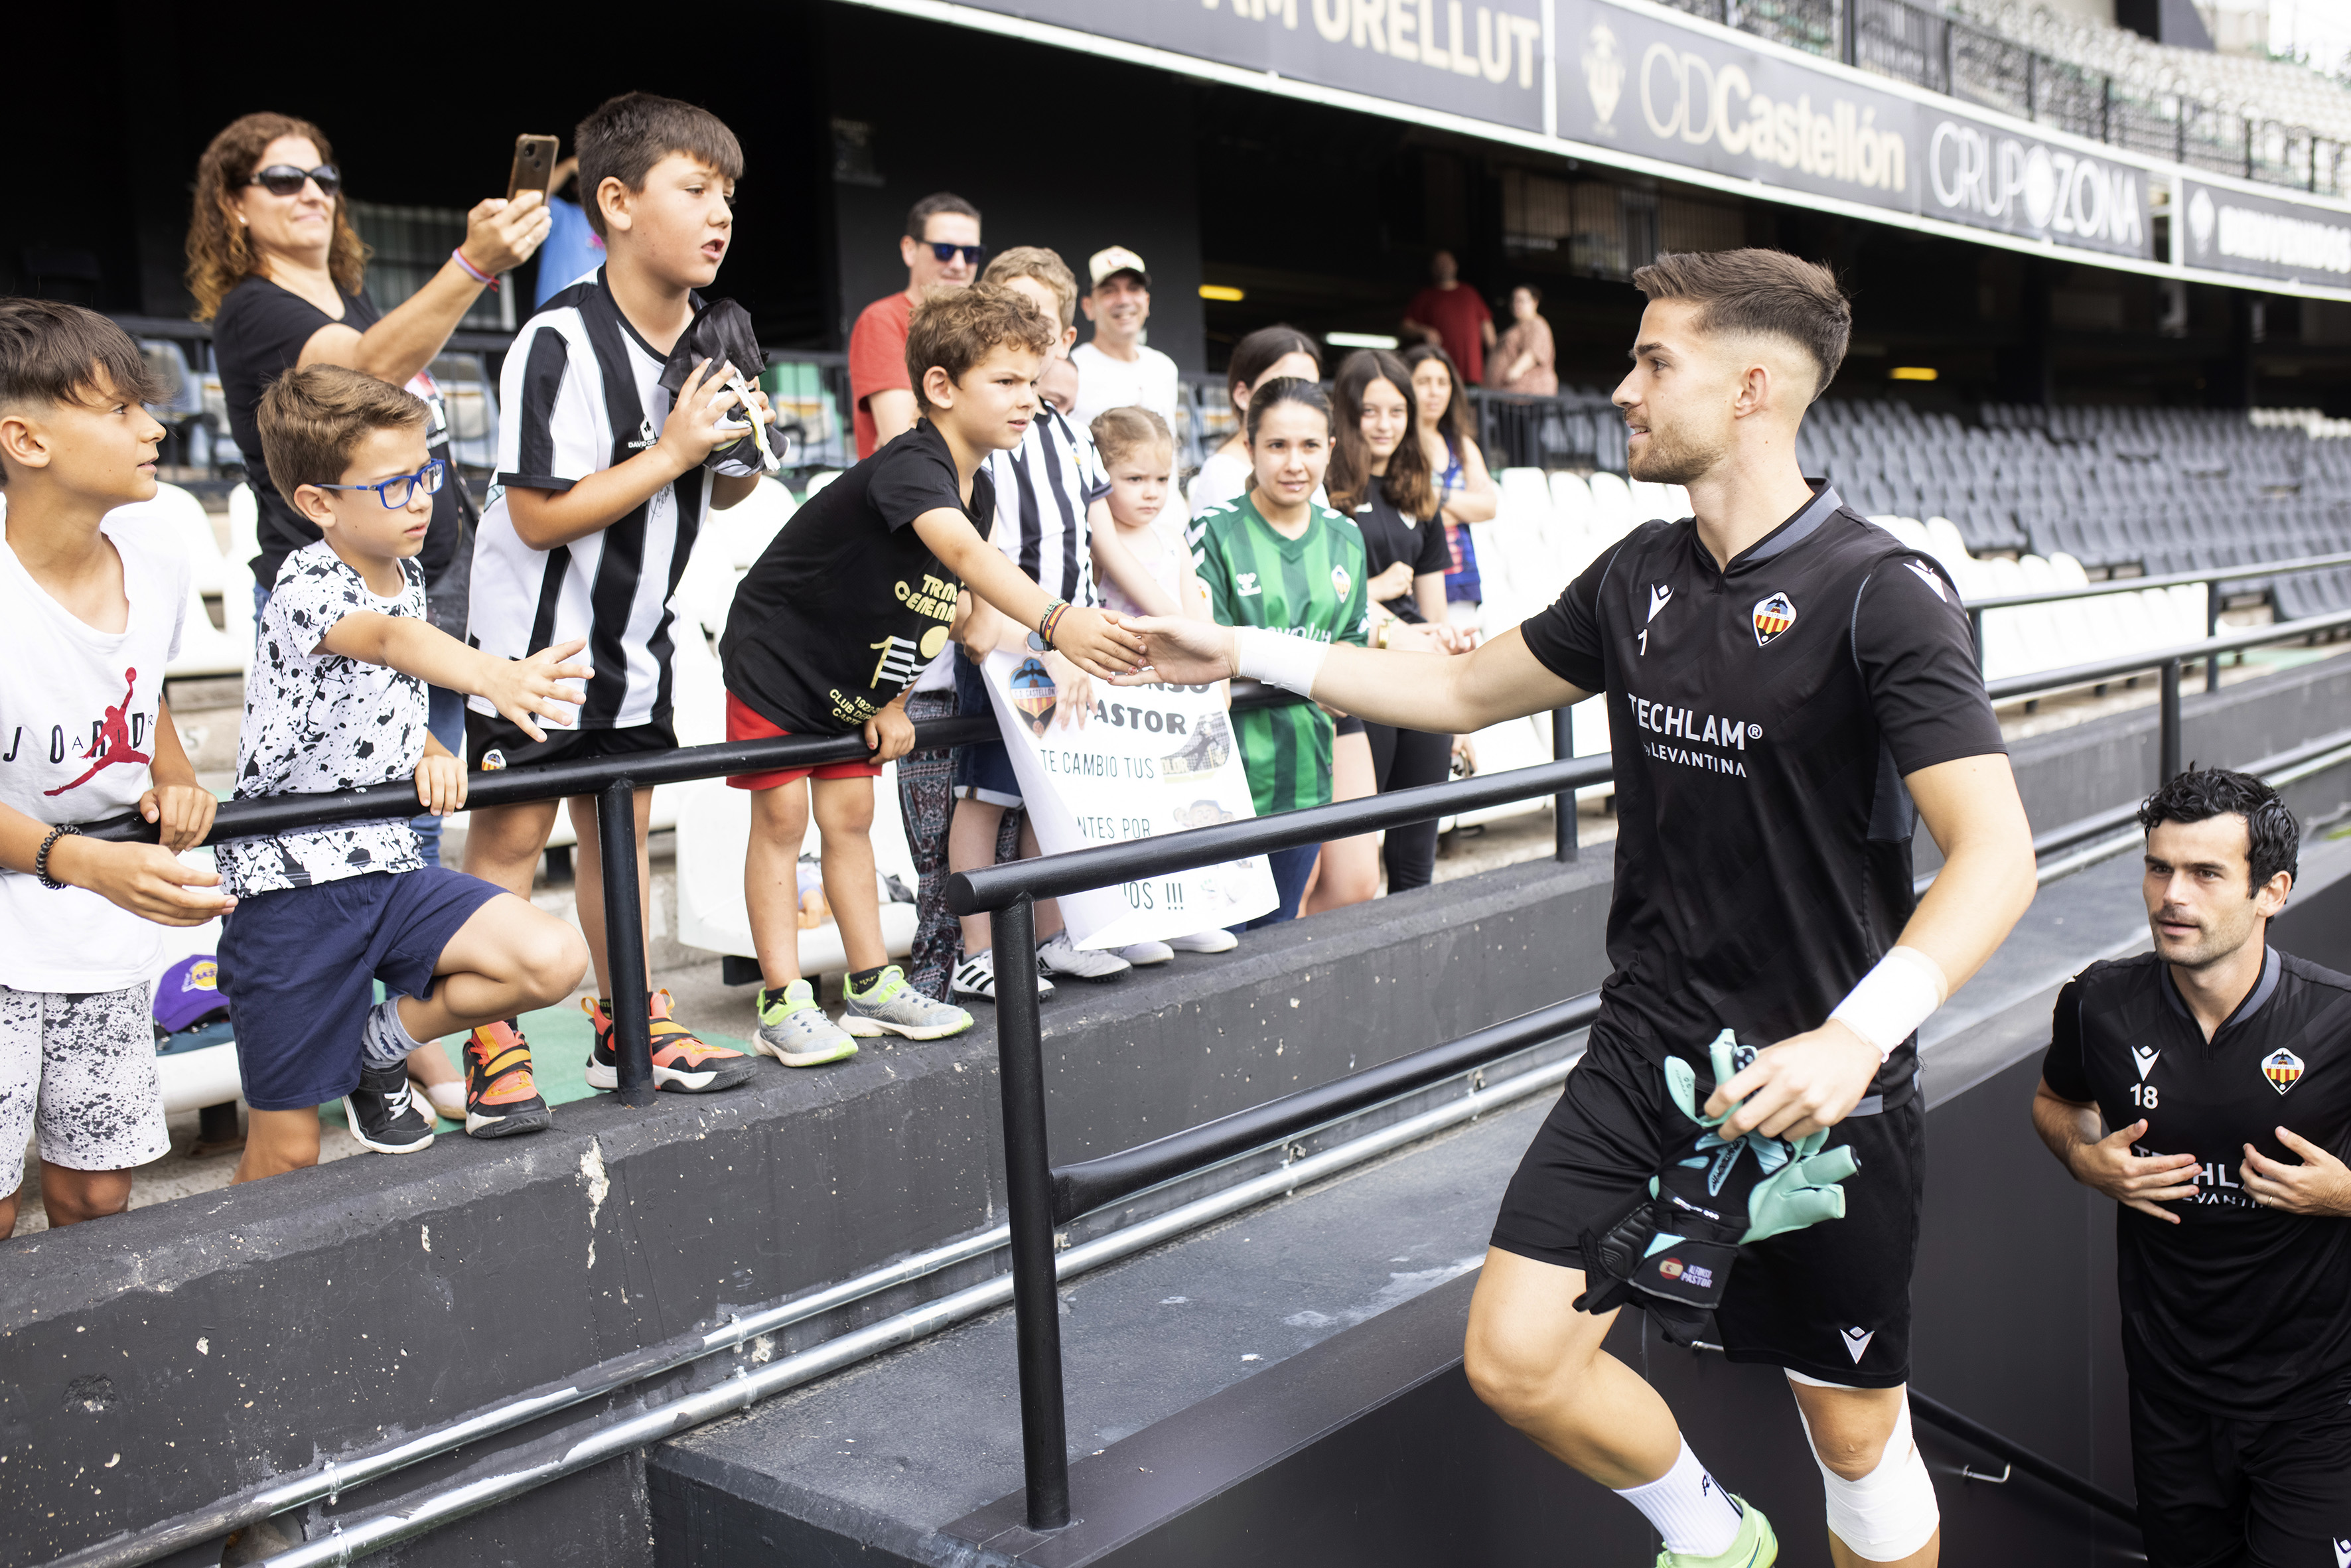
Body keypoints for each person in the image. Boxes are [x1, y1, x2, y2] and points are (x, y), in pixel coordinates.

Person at [1119, 248, 2040, 1567]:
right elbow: (1454, 694)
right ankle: (1715, 1535)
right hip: (1646, 1051)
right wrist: (1239, 647)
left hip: (1815, 1090)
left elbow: (1994, 852)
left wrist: (1853, 1037)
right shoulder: (1636, 575)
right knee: (1512, 1355)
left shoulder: (1881, 594)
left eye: (1654, 361)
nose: (1620, 388)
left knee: (1855, 1444)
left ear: (1751, 387)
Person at [190, 111, 548, 1119]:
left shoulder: (342, 294)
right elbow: (366, 373)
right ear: (233, 204)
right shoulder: (254, 310)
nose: (313, 191)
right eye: (283, 178)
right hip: (340, 602)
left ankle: (390, 1049)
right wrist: (472, 266)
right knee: (338, 820)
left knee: (408, 822)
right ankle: (385, 1053)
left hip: (410, 586)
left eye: (326, 174)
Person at [461, 92, 770, 1103]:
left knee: (622, 838)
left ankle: (626, 1017)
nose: (720, 212)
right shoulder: (556, 340)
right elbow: (540, 515)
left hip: (640, 644)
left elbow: (731, 490)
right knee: (509, 842)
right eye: (694, 189)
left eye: (728, 193)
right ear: (616, 201)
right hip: (531, 655)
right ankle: (490, 1033)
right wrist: (673, 448)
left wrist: (734, 447)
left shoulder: (712, 335)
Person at [723, 284, 1146, 1021]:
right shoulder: (912, 465)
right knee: (785, 819)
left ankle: (871, 986)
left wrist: (891, 698)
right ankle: (782, 1000)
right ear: (941, 386)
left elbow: (929, 608)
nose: (1030, 399)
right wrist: (1059, 621)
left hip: (850, 684)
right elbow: (959, 556)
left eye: (1034, 381)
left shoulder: (973, 488)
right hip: (776, 662)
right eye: (1008, 382)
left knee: (850, 815)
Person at [218, 365, 590, 1175]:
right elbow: (388, 643)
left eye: (427, 473)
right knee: (286, 1153)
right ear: (319, 503)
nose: (423, 497)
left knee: (552, 959)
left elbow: (373, 688)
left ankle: (379, 1043)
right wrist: (495, 675)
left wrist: (425, 747)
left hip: (389, 867)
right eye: (394, 485)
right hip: (295, 889)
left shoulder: (410, 569)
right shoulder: (305, 578)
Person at [2034, 768, 2351, 1568]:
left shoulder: (2339, 1019)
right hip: (2170, 1396)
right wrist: (2085, 1157)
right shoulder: (2097, 1004)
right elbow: (2054, 1099)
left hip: (2316, 1400)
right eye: (2157, 866)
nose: (2171, 894)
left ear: (2270, 890)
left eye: (2206, 872)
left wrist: (2346, 1193)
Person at [0, 302, 229, 1238]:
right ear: (25, 436)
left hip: (101, 933)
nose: (154, 428)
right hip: (46, 907)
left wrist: (171, 775)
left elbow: (142, 691)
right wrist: (86, 861)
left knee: (98, 1198)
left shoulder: (163, 540)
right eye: (121, 409)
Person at [946, 249, 1152, 999]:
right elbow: (976, 568)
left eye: (1038, 317)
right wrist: (1046, 639)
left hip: (1072, 644)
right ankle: (977, 950)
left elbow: (1102, 539)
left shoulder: (1066, 430)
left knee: (1055, 787)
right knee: (991, 794)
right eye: (1009, 310)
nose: (1024, 328)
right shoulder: (982, 432)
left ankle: (1053, 935)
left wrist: (1161, 618)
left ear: (1065, 335)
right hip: (1012, 645)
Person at [1190, 378, 1370, 930]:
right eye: (1277, 446)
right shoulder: (1211, 531)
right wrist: (1311, 667)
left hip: (1306, 778)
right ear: (1249, 448)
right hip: (1220, 786)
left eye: (1310, 446)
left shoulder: (1346, 537)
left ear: (1331, 450)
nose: (1295, 462)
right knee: (1222, 948)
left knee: (1281, 935)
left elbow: (1352, 660)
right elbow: (1207, 657)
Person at [1090, 406, 1236, 960]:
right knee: (1124, 811)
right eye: (1133, 479)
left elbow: (1195, 605)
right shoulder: (1097, 543)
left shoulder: (1170, 539)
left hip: (1175, 699)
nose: (1150, 492)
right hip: (1119, 696)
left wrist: (1216, 672)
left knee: (1177, 805)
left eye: (1161, 479)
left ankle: (1184, 911)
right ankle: (1129, 921)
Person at [1323, 349, 1462, 899]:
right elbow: (1334, 593)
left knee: (1418, 830)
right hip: (1361, 667)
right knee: (1362, 839)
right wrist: (1375, 590)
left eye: (1396, 411)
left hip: (1419, 672)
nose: (1384, 425)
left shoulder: (1415, 485)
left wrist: (1454, 674)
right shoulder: (1326, 487)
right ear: (1347, 414)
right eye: (1370, 411)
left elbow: (1433, 605)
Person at [849, 193, 983, 459]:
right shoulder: (882, 319)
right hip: (909, 493)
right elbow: (903, 438)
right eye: (944, 251)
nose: (958, 265)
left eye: (970, 253)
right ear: (910, 249)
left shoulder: (982, 325)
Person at [1403, 342, 1498, 627]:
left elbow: (1489, 507)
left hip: (1462, 577)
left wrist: (1437, 498)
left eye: (1442, 383)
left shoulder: (1461, 445)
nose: (1435, 391)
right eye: (1424, 382)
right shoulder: (1397, 445)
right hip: (1412, 577)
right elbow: (1407, 508)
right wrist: (1461, 504)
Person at [1188, 326, 1322, 525]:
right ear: (1242, 394)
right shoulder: (1222, 474)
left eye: (1311, 390)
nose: (1298, 401)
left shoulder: (1305, 466)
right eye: (1282, 387)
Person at [1070, 246, 1179, 433]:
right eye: (1109, 291)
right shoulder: (1072, 370)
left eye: (1133, 289)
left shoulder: (1164, 368)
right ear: (1088, 306)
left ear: (1146, 302)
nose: (1124, 300)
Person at [1401, 250, 1494, 387]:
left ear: (1455, 266)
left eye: (1447, 262)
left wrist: (1494, 356)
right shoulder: (1426, 296)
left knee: (1472, 407)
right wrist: (1424, 330)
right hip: (1440, 372)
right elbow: (1404, 326)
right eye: (1439, 263)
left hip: (1471, 373)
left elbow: (1487, 326)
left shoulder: (1469, 293)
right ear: (1432, 268)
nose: (1444, 266)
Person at [1486, 285, 1557, 395]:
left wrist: (1516, 370)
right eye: (1513, 301)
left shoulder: (1537, 324)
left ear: (1535, 302)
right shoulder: (1515, 327)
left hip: (1525, 397)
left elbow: (1533, 353)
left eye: (1521, 301)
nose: (1516, 304)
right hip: (1504, 394)